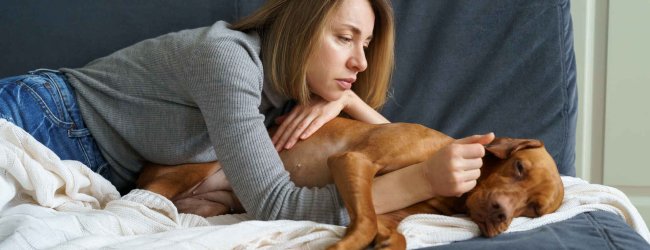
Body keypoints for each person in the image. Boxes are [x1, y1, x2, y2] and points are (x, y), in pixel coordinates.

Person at [0, 0, 493, 225]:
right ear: (300, 26)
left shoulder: (285, 97)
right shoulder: (227, 60)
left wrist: (349, 99)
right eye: (345, 38)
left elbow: (398, 145)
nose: (361, 62)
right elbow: (275, 206)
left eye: (365, 45)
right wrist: (422, 183)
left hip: (87, 164)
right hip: (40, 117)